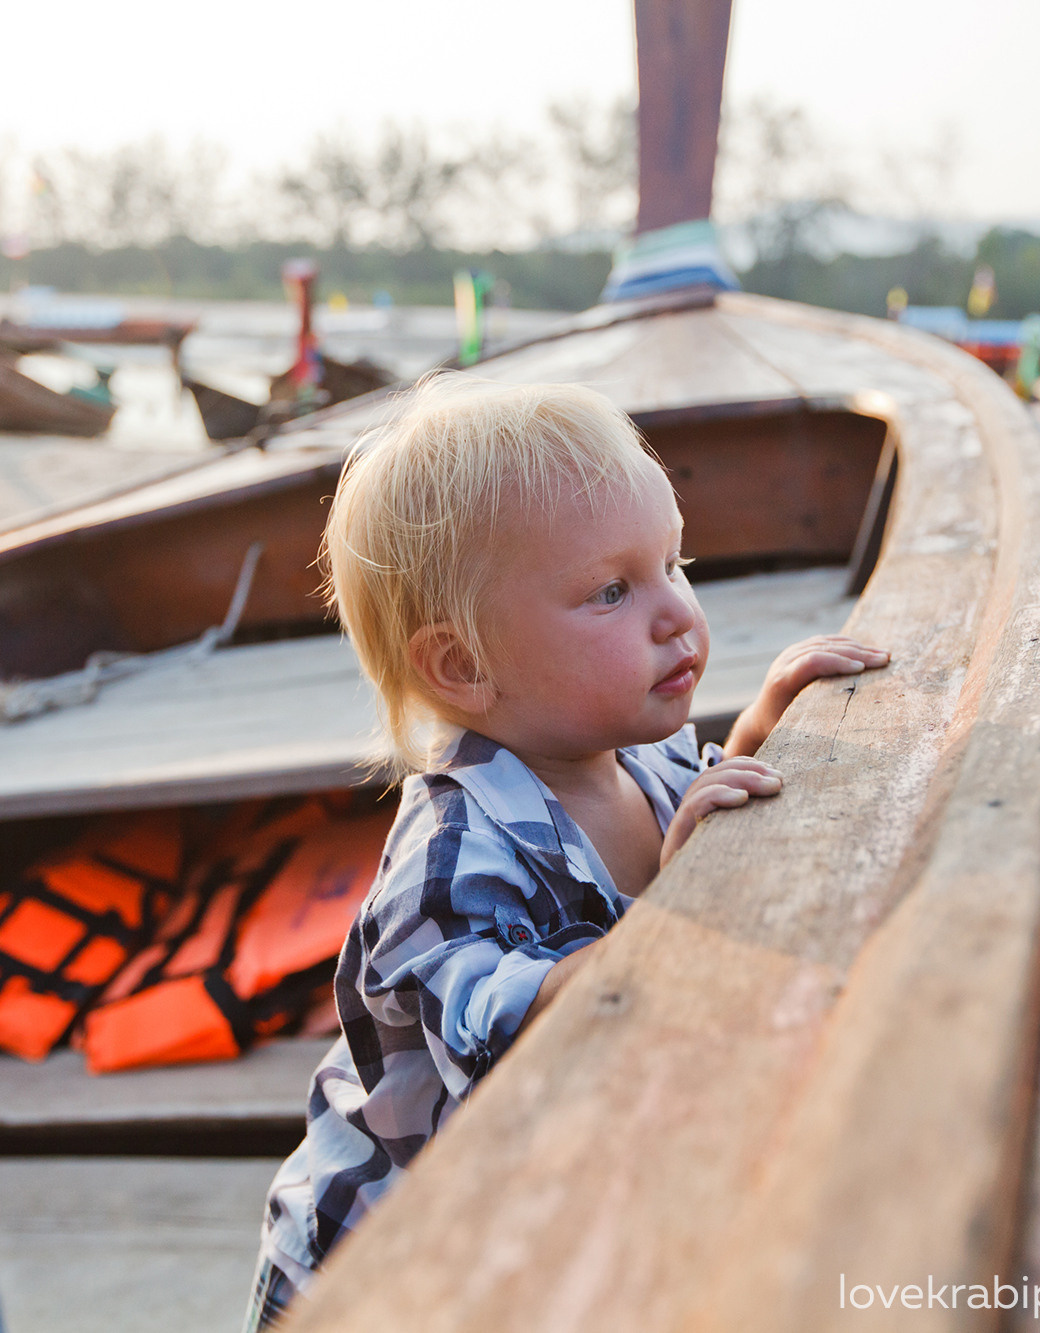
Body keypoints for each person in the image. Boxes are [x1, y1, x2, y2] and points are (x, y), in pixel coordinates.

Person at [242, 374, 889, 1329]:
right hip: (387, 1268)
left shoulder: (638, 747)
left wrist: (762, 736)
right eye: (612, 590)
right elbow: (519, 1040)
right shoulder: (451, 859)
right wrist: (672, 907)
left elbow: (688, 823)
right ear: (463, 665)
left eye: (676, 561)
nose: (676, 613)